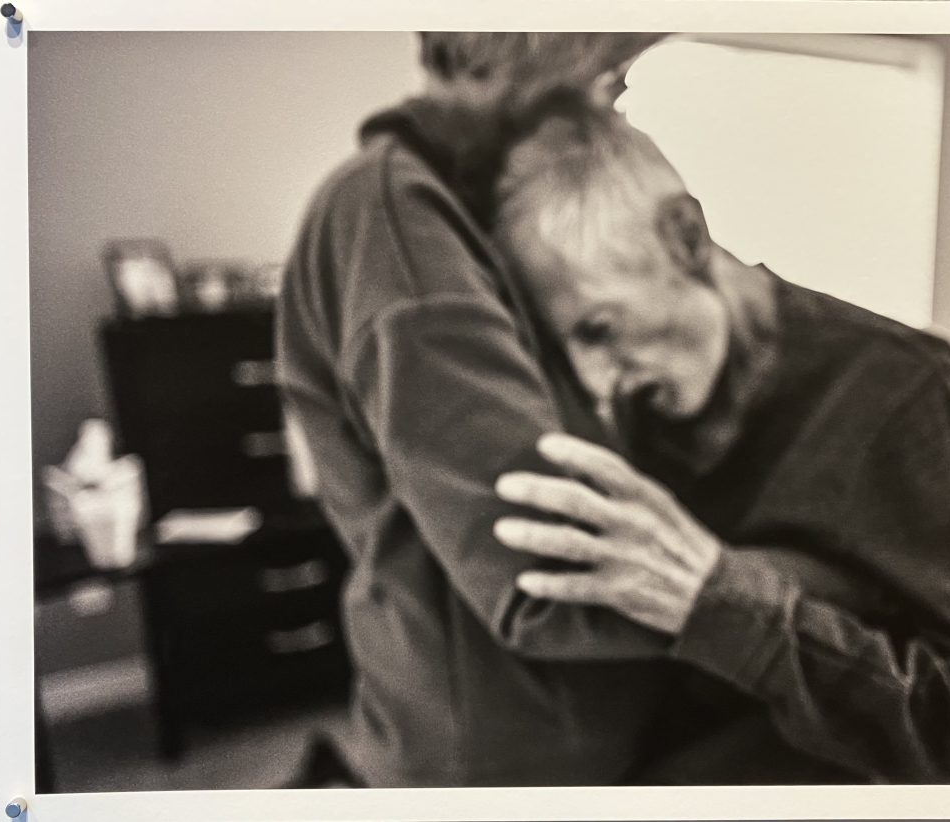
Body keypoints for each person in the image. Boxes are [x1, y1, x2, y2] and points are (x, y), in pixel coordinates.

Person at [487, 101, 950, 784]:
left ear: (686, 238)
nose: (594, 379)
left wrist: (724, 603)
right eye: (566, 346)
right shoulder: (622, 408)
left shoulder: (894, 385)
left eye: (601, 328)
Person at [275, 33, 686, 788]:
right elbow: (541, 572)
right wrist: (799, 584)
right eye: (604, 74)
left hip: (562, 728)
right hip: (512, 757)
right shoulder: (394, 218)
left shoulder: (499, 211)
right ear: (498, 53)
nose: (619, 99)